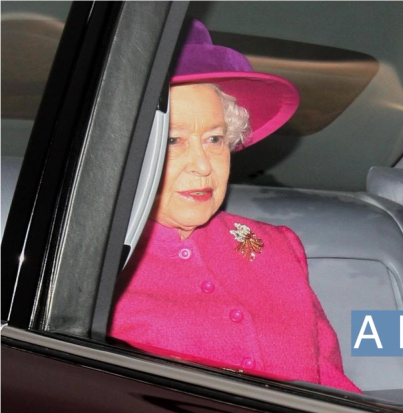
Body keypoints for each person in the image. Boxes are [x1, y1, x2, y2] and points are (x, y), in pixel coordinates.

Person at [109, 20, 359, 393]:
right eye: (175, 140)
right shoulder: (90, 263)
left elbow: (334, 390)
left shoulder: (275, 247)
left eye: (214, 139)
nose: (204, 165)